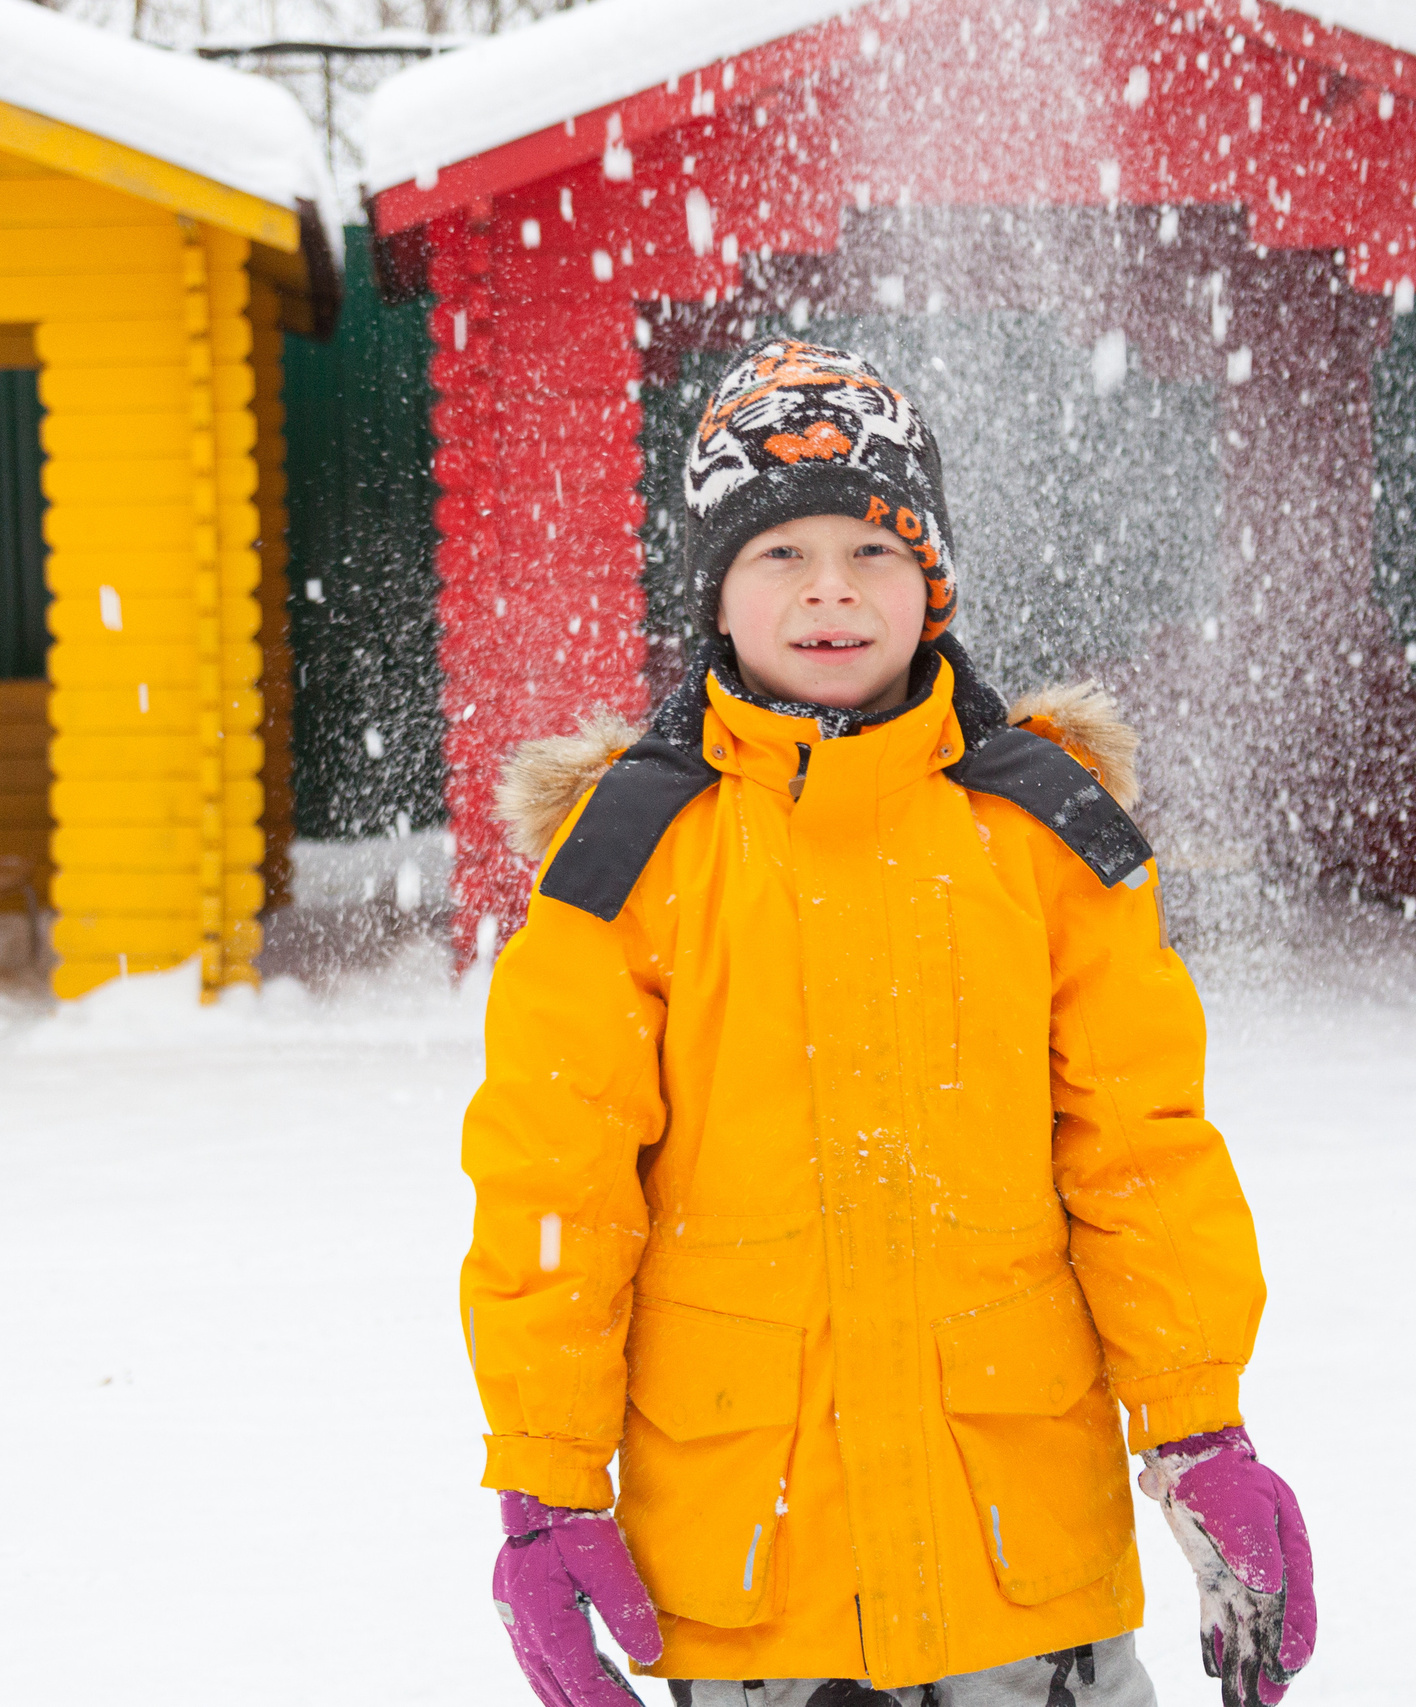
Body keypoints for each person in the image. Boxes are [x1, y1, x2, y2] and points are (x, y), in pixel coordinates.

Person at [461, 340, 1314, 1707]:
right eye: (778, 554)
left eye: (872, 548)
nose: (830, 593)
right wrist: (544, 1489)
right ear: (713, 595)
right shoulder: (626, 852)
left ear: (933, 580)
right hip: (755, 1580)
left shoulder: (1046, 830)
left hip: (1021, 1568)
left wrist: (1199, 1427)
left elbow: (1139, 1154)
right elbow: (553, 1191)